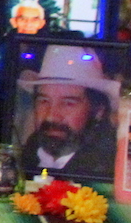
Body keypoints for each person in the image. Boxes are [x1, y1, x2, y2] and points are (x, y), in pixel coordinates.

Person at [16, 45, 119, 180]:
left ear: (98, 111)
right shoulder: (28, 154)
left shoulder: (106, 170)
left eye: (68, 103)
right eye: (44, 101)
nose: (51, 116)